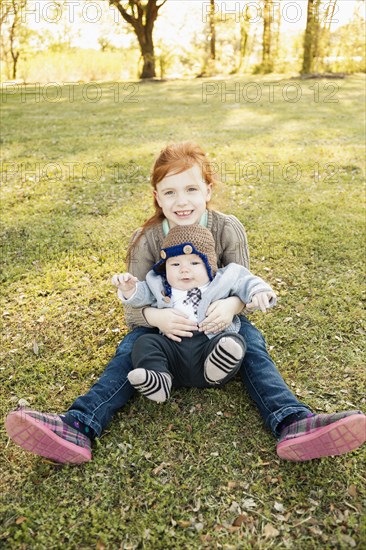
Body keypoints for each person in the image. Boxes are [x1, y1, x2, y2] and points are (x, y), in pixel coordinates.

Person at [5, 142, 366, 464]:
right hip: (163, 339)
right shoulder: (146, 239)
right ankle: (78, 425)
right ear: (157, 197)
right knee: (128, 350)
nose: (182, 201)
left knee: (254, 346)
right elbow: (134, 308)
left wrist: (232, 308)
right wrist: (157, 318)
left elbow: (243, 283)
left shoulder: (228, 229)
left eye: (191, 189)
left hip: (220, 332)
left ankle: (292, 421)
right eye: (170, 192)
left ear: (207, 191)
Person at [113, 224, 276, 402]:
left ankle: (216, 367)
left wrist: (259, 292)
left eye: (194, 262)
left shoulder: (223, 278)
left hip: (209, 344)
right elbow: (141, 295)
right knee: (145, 342)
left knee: (234, 341)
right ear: (164, 266)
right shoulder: (158, 283)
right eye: (175, 264)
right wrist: (129, 289)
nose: (184, 269)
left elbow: (246, 281)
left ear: (210, 264)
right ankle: (159, 377)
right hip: (172, 349)